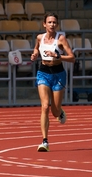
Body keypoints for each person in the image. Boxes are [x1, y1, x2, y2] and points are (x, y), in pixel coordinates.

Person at [30, 12, 75, 152]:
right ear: (44, 24)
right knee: (44, 106)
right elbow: (37, 47)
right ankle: (45, 141)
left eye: (54, 22)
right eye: (49, 22)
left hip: (58, 74)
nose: (52, 25)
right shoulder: (39, 37)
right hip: (43, 72)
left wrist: (58, 56)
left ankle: (59, 111)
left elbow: (72, 57)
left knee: (54, 112)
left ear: (57, 24)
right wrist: (35, 54)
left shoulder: (60, 39)